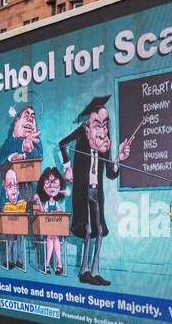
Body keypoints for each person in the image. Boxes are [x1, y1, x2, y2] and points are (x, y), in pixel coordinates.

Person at [57, 95, 134, 286]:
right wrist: (68, 167)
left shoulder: (104, 145)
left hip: (96, 193)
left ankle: (95, 270)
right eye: (97, 124)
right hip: (83, 193)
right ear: (88, 126)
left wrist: (119, 159)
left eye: (105, 124)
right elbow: (62, 144)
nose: (102, 129)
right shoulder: (82, 135)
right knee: (89, 229)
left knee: (99, 230)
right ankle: (84, 270)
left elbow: (110, 173)